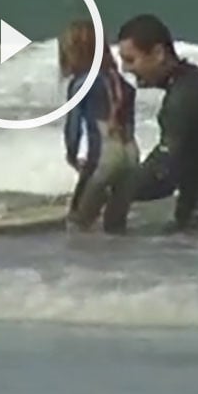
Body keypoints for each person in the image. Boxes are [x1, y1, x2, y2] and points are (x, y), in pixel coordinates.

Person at [115, 13, 198, 233]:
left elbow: (164, 174)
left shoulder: (185, 98)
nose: (126, 69)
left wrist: (114, 190)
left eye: (131, 60)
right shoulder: (196, 84)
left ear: (158, 54)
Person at [58, 19, 139, 234]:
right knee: (116, 226)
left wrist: (72, 154)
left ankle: (83, 267)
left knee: (78, 223)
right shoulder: (124, 85)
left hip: (104, 156)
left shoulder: (82, 83)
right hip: (131, 155)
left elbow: (74, 126)